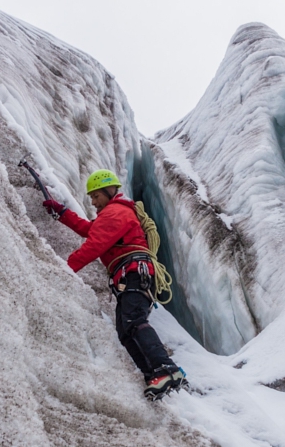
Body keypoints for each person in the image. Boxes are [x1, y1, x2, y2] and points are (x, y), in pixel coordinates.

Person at [43, 169, 185, 399]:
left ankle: (166, 368)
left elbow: (93, 245)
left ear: (109, 192)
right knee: (125, 330)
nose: (93, 201)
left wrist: (61, 268)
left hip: (133, 273)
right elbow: (91, 231)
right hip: (130, 275)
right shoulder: (113, 215)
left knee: (134, 321)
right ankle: (153, 375)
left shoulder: (115, 213)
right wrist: (62, 213)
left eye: (96, 196)